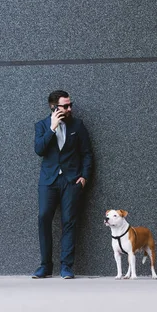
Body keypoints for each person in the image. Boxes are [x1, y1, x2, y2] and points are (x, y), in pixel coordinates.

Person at [33, 90, 93, 279]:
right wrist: (52, 128)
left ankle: (66, 266)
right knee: (43, 219)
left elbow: (87, 153)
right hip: (48, 181)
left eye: (70, 105)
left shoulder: (78, 125)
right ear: (54, 107)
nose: (69, 108)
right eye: (65, 106)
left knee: (69, 222)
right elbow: (39, 150)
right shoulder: (41, 126)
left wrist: (84, 177)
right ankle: (45, 266)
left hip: (71, 181)